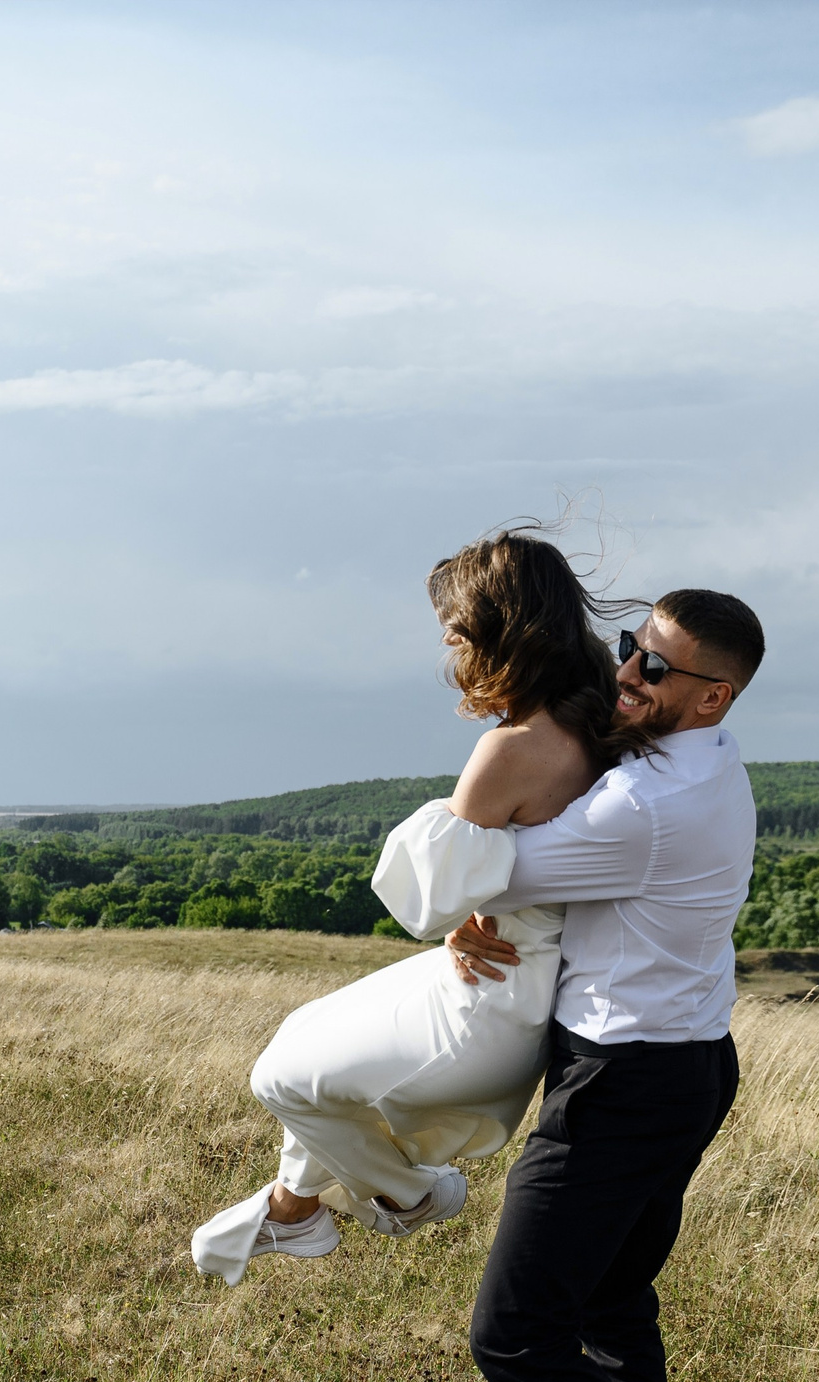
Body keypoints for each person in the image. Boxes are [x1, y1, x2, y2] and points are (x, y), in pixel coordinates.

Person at [447, 587, 766, 1382]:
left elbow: (480, 865)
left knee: (515, 1334)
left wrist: (458, 909)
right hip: (687, 1066)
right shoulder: (703, 762)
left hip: (624, 1085)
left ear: (712, 696)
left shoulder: (644, 805)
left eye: (655, 669)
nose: (626, 672)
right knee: (611, 1309)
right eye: (631, 647)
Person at [190, 530, 646, 1283]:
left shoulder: (514, 746)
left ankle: (408, 1196)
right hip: (527, 981)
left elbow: (425, 902)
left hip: (488, 1002)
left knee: (277, 1077)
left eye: (458, 628)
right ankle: (293, 1208)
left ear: (502, 629)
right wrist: (469, 906)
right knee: (307, 1033)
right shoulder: (601, 720)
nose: (448, 643)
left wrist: (455, 909)